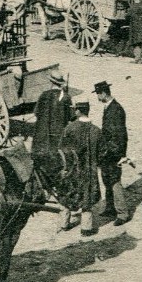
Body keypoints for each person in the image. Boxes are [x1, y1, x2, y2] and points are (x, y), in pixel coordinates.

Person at [56, 100, 103, 237]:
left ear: (78, 111)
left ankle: (64, 224)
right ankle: (86, 228)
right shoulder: (96, 130)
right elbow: (102, 152)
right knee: (87, 198)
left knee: (66, 194)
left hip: (72, 170)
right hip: (89, 171)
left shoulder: (70, 128)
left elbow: (61, 149)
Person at [94, 81, 130, 225]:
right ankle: (110, 208)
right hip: (108, 152)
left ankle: (122, 213)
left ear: (103, 93)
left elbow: (120, 135)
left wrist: (116, 154)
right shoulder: (110, 107)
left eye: (98, 94)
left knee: (114, 181)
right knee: (107, 180)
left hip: (113, 153)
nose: (97, 97)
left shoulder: (115, 109)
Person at [32, 71, 75, 155]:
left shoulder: (43, 95)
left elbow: (36, 113)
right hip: (60, 133)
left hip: (44, 134)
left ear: (51, 82)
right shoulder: (66, 97)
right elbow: (71, 117)